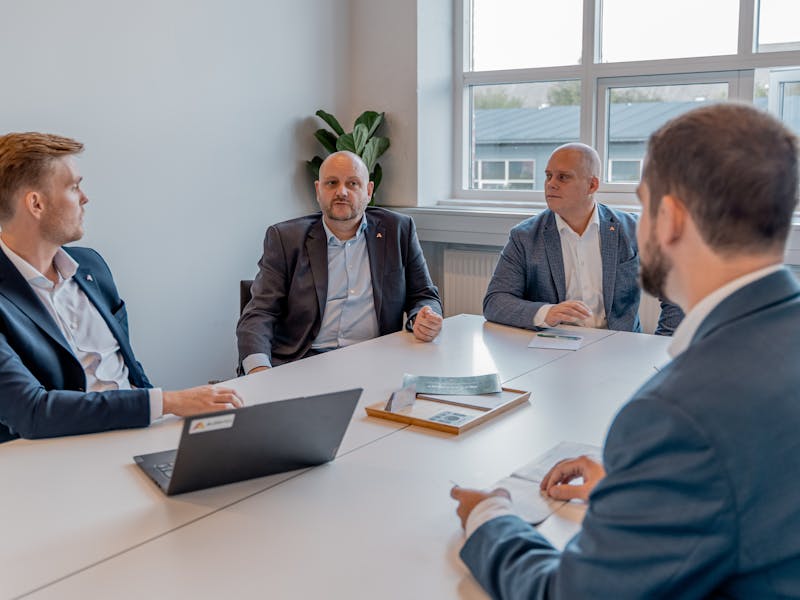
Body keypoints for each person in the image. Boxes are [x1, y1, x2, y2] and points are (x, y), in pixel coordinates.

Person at [451, 103, 800, 598]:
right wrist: (646, 492)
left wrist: (489, 518)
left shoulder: (673, 413)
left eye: (643, 201)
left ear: (671, 217)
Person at [0, 132, 243, 443]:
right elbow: (31, 412)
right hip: (54, 459)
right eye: (74, 187)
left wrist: (169, 429)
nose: (85, 198)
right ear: (36, 203)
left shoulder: (91, 266)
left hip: (137, 435)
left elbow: (128, 368)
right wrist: (168, 402)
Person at [237, 151, 442, 373]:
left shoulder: (398, 230)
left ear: (369, 191)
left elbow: (424, 295)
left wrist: (423, 317)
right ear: (318, 190)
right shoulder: (286, 238)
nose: (341, 192)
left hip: (376, 360)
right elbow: (260, 313)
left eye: (353, 183)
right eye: (331, 183)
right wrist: (258, 370)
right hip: (304, 362)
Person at [483, 143, 682, 335]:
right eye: (548, 176)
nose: (551, 184)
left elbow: (676, 292)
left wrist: (663, 343)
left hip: (619, 345)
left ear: (592, 185)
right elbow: (495, 301)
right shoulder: (525, 236)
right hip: (551, 345)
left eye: (563, 177)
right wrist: (546, 313)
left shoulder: (632, 229)